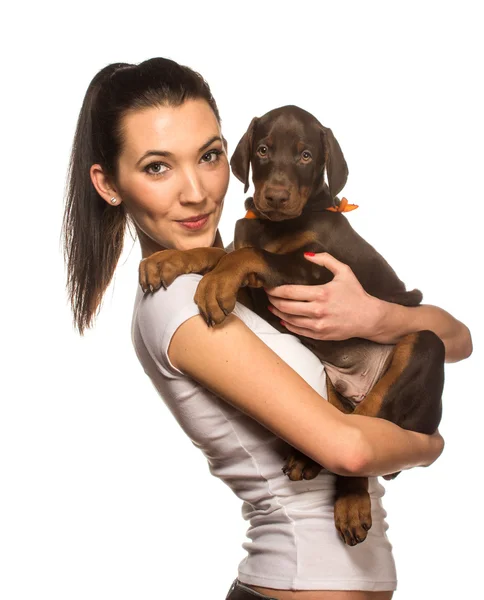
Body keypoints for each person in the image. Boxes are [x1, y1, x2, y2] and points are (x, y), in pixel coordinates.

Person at [62, 57, 471, 600]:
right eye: (157, 166)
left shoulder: (220, 271)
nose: (195, 191)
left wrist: (378, 317)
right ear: (109, 183)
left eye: (208, 156)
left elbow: (456, 339)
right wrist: (427, 445)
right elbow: (349, 451)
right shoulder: (184, 303)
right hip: (296, 581)